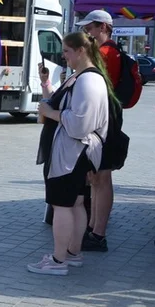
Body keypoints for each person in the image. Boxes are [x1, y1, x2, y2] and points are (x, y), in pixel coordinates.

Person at [30, 32, 111, 276]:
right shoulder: (82, 77)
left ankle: (58, 260)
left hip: (71, 153)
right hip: (76, 152)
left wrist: (51, 113)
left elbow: (79, 123)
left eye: (66, 51)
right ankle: (72, 253)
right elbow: (60, 105)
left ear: (81, 51)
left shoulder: (87, 80)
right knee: (75, 202)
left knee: (62, 204)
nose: (63, 56)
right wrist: (46, 87)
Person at [75, 10, 125, 253]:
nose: (88, 33)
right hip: (104, 119)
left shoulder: (108, 54)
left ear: (103, 27)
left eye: (91, 28)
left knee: (102, 178)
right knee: (95, 177)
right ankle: (93, 227)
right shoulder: (107, 52)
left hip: (107, 121)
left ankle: (98, 233)